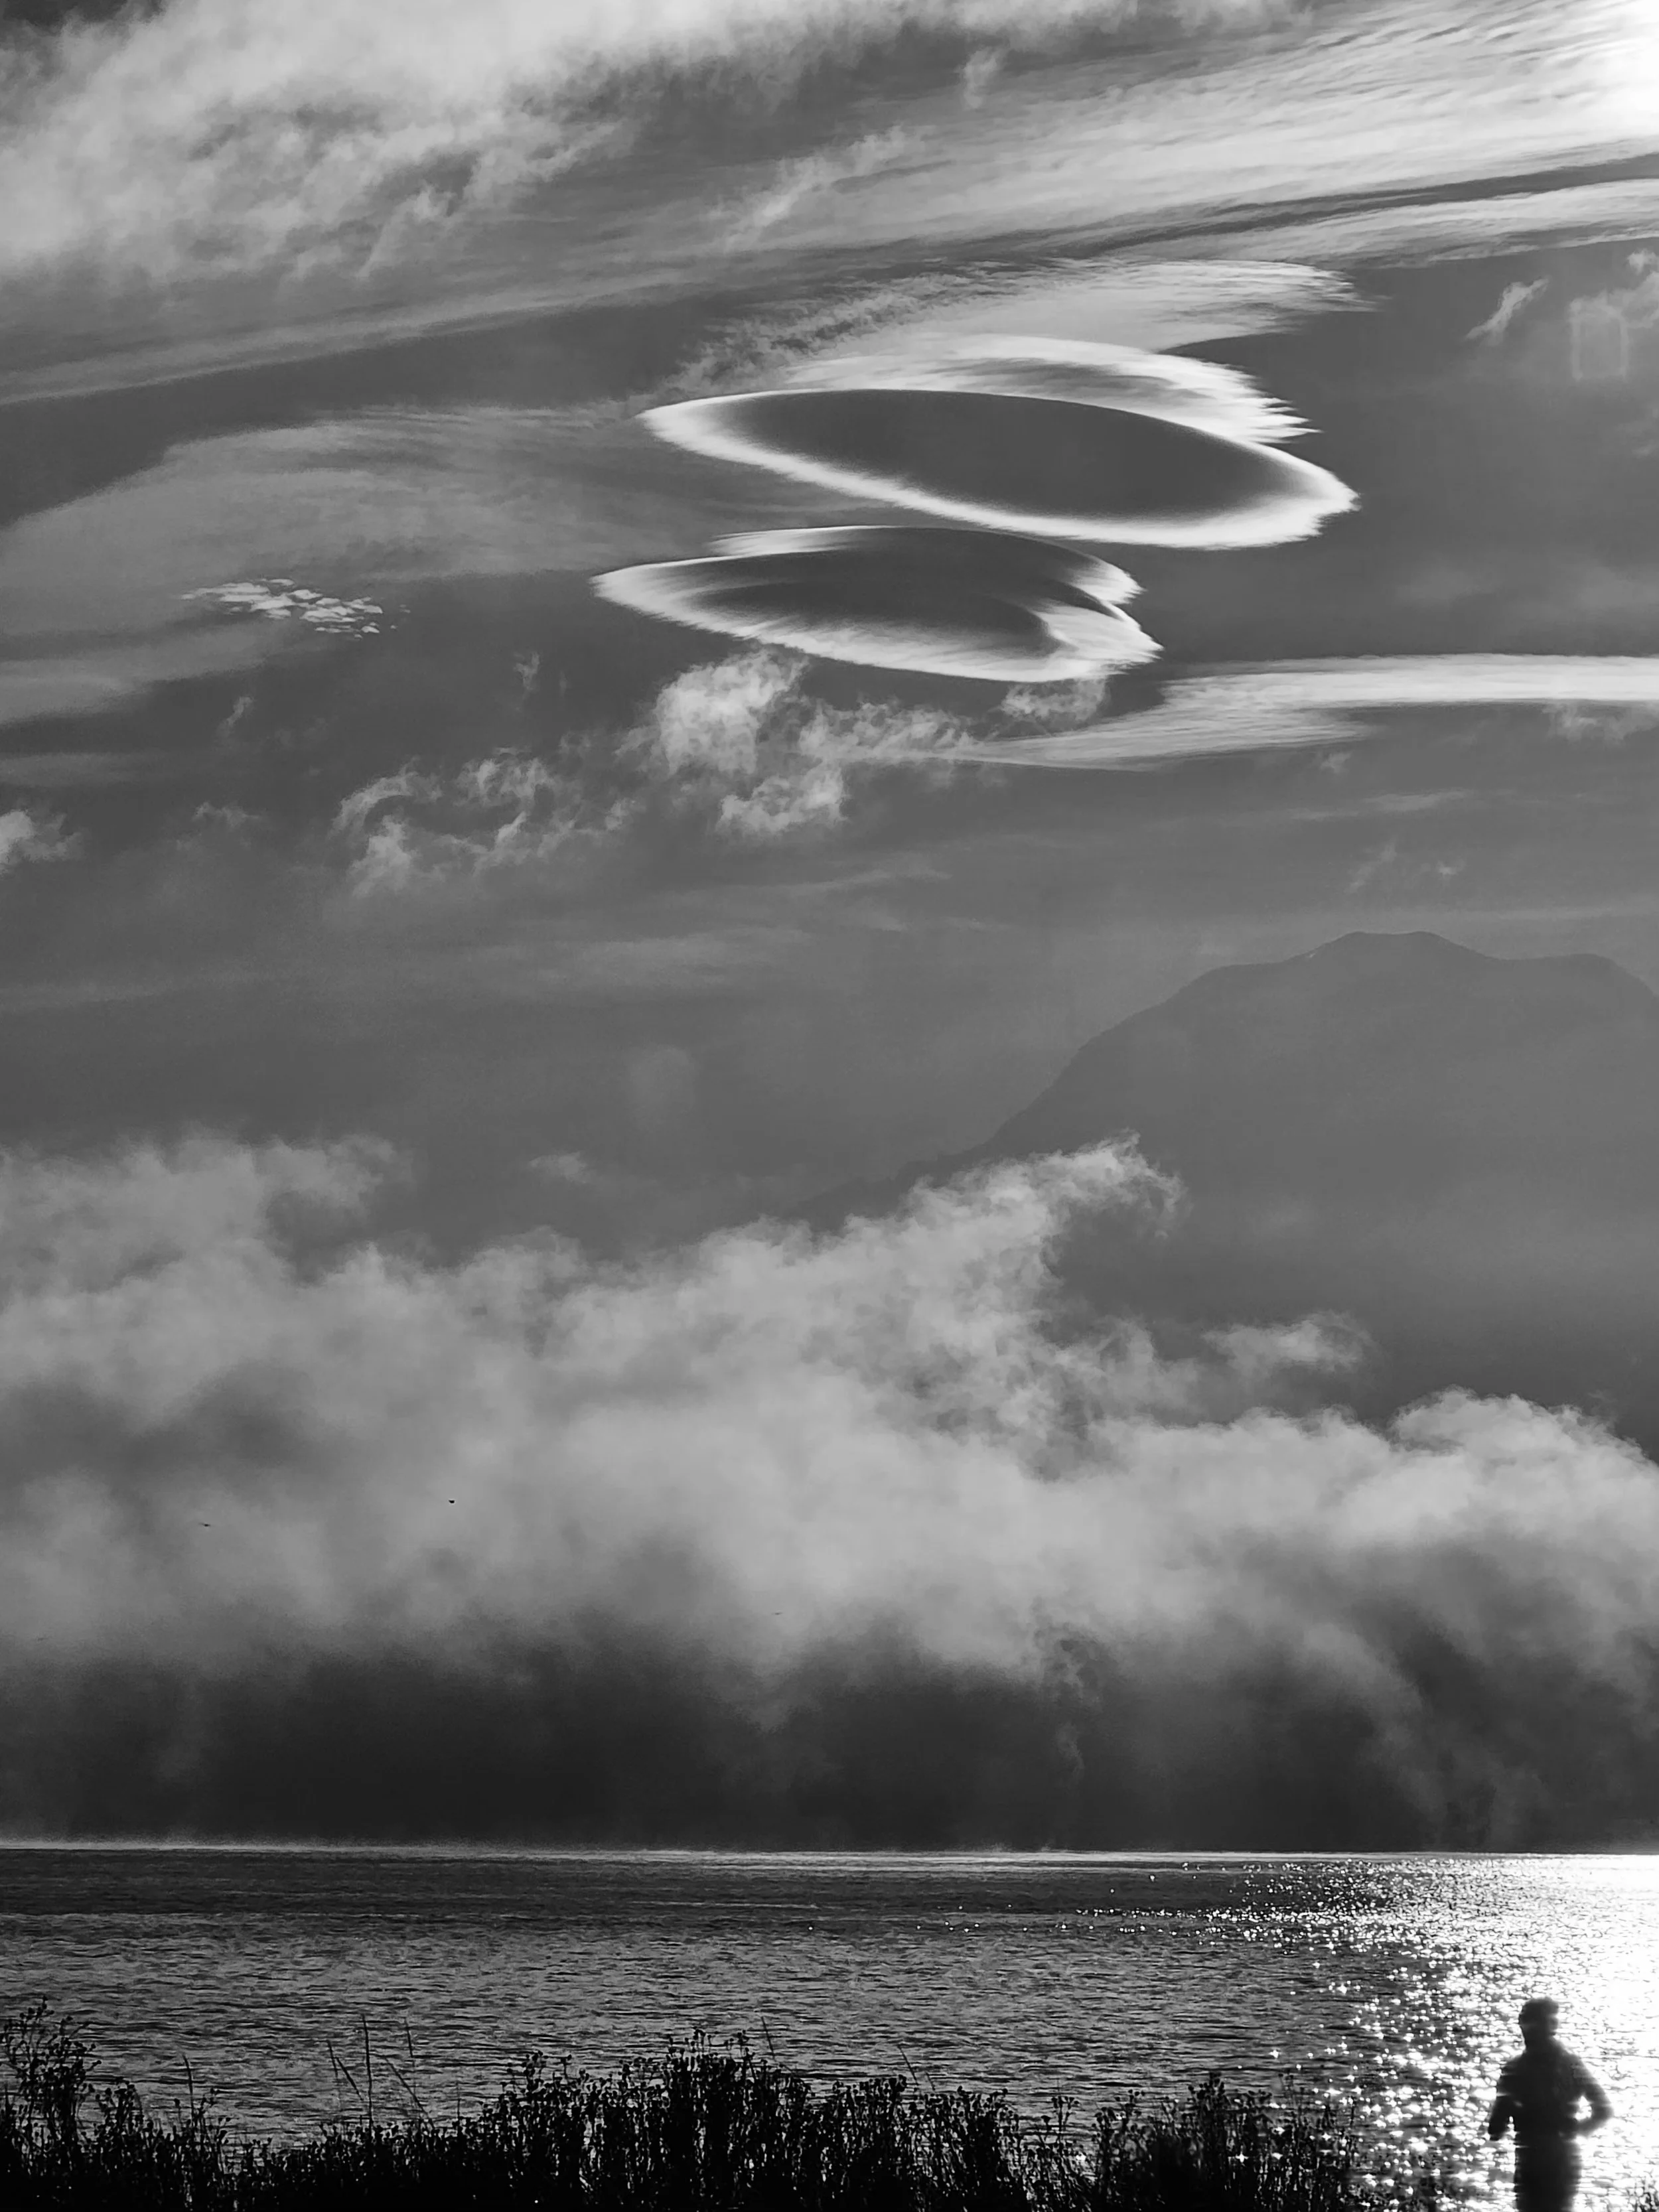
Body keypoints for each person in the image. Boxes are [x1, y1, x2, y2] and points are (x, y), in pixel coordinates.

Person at [1487, 1998, 1612, 2212]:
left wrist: (1510, 2105)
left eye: (1527, 2025)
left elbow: (1495, 2130)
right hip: (1563, 2160)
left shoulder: (1515, 2070)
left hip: (1531, 2163)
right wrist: (1576, 2130)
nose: (1526, 2031)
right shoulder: (1571, 2064)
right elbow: (1603, 2110)